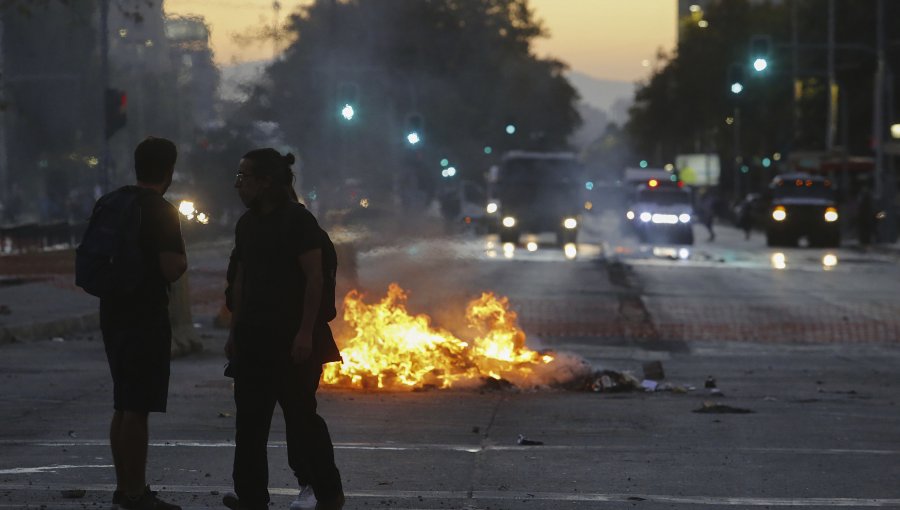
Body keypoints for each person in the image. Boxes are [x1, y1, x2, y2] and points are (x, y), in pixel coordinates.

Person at [224, 148, 344, 510]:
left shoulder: (298, 222)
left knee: (302, 421)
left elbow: (314, 278)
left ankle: (329, 494)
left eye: (245, 177)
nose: (238, 183)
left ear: (266, 182)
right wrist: (234, 332)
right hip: (253, 341)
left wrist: (306, 332)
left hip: (293, 341)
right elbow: (241, 280)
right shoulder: (246, 224)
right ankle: (251, 498)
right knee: (249, 425)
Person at [98, 137, 187, 510]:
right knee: (137, 408)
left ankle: (125, 489)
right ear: (169, 171)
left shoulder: (111, 202)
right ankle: (134, 494)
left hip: (112, 311)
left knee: (123, 404)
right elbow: (172, 267)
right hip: (145, 315)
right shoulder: (160, 211)